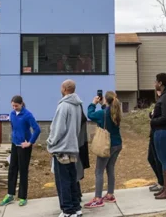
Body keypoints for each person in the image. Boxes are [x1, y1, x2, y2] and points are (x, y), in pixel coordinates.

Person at [47, 79, 82, 217]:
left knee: (63, 181)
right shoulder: (78, 106)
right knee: (73, 179)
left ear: (65, 89)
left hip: (61, 149)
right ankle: (76, 207)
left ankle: (67, 210)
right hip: (73, 147)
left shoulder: (63, 106)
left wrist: (50, 142)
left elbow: (58, 129)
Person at [0, 95, 41, 207]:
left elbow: (37, 129)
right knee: (12, 169)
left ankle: (23, 196)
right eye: (12, 105)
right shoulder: (12, 114)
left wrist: (30, 142)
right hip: (15, 145)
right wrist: (14, 138)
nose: (14, 107)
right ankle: (10, 194)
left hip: (24, 146)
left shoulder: (27, 115)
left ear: (21, 104)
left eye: (16, 105)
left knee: (23, 170)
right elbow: (14, 127)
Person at [84, 91, 122, 208]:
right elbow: (107, 112)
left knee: (99, 171)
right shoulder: (116, 111)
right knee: (110, 168)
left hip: (106, 145)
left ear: (106, 99)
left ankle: (98, 198)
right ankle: (110, 194)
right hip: (117, 144)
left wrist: (93, 103)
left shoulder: (102, 113)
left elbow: (90, 115)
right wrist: (103, 104)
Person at [149, 73, 166, 199]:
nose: (154, 84)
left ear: (160, 83)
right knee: (165, 160)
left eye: (156, 81)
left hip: (164, 131)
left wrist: (153, 121)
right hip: (163, 131)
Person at [148, 90, 164, 194]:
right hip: (153, 133)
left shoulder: (164, 100)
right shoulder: (158, 102)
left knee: (158, 159)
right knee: (150, 158)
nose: (157, 92)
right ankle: (160, 181)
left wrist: (153, 118)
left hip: (159, 133)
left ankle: (162, 183)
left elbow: (164, 117)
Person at [76, 105, 90, 202]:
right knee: (76, 172)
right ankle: (78, 193)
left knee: (74, 172)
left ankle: (76, 195)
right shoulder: (82, 119)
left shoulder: (77, 120)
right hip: (81, 146)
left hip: (77, 147)